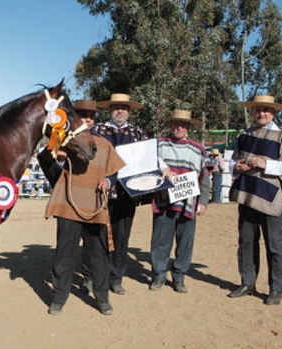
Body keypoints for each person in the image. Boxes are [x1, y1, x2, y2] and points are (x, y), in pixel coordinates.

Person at [39, 101, 126, 315]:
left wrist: (108, 182)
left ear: (95, 120)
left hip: (94, 207)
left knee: (98, 255)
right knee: (64, 254)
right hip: (68, 205)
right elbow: (50, 171)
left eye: (90, 116)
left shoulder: (105, 145)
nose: (87, 119)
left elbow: (114, 172)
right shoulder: (61, 142)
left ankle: (102, 298)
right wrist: (55, 159)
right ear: (74, 118)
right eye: (82, 115)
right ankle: (59, 297)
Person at [228, 95, 282, 305]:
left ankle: (276, 288)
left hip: (272, 199)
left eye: (265, 110)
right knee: (246, 241)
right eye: (257, 110)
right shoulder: (244, 135)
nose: (260, 113)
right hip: (246, 195)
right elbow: (233, 161)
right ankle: (247, 282)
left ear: (273, 112)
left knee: (275, 245)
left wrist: (267, 164)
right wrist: (235, 168)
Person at [84, 93, 149, 295]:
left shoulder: (138, 133)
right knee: (95, 235)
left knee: (121, 236)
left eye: (123, 107)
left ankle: (116, 277)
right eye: (115, 107)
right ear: (110, 110)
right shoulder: (97, 130)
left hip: (127, 193)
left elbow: (148, 159)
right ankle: (90, 276)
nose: (119, 111)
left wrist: (163, 170)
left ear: (129, 111)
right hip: (99, 191)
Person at [149, 110, 210, 292]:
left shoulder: (198, 149)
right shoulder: (158, 145)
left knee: (185, 241)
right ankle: (159, 274)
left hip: (189, 202)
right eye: (176, 123)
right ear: (171, 125)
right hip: (164, 200)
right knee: (160, 240)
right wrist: (162, 173)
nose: (179, 127)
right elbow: (148, 168)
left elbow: (204, 177)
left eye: (183, 124)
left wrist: (204, 201)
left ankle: (179, 276)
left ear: (188, 127)